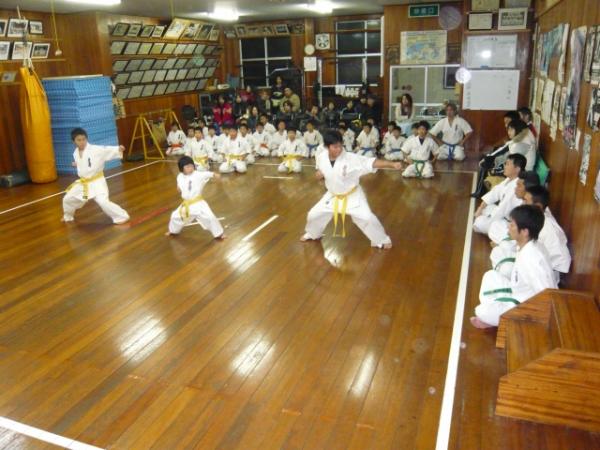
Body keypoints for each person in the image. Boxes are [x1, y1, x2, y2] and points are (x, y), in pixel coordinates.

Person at [301, 130, 403, 249]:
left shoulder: (351, 158)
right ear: (327, 147)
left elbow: (371, 163)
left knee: (366, 218)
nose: (339, 149)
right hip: (333, 194)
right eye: (335, 147)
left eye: (340, 146)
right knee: (313, 215)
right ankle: (313, 234)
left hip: (351, 194)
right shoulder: (321, 157)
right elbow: (320, 170)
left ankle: (381, 240)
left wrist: (391, 164)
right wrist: (319, 174)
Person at [471, 205, 557, 329]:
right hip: (517, 291)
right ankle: (495, 311)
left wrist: (530, 316)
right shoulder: (529, 244)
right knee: (490, 276)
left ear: (524, 231)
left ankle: (497, 315)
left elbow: (546, 294)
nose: (508, 227)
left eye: (512, 225)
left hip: (524, 305)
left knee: (482, 311)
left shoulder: (533, 258)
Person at [491, 185, 571, 283]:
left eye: (525, 201)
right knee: (499, 245)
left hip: (544, 272)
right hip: (531, 258)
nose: (522, 203)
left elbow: (550, 263)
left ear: (538, 206)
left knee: (502, 264)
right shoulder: (537, 215)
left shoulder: (547, 228)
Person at [62, 128, 129, 224]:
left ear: (87, 139)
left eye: (84, 139)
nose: (82, 142)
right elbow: (85, 163)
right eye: (79, 140)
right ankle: (68, 216)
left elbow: (105, 150)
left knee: (103, 202)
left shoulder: (95, 149)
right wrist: (77, 164)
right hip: (84, 183)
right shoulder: (75, 153)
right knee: (68, 199)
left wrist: (118, 149)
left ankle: (122, 217)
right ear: (74, 141)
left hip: (97, 182)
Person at [471, 118, 535, 198]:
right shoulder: (522, 135)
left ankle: (481, 192)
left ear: (518, 129)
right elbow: (505, 148)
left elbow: (512, 164)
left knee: (486, 166)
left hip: (522, 173)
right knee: (486, 162)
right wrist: (489, 158)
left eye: (511, 130)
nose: (508, 132)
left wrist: (496, 170)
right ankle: (480, 191)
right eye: (508, 130)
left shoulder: (521, 144)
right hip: (516, 167)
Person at [166, 156, 225, 240]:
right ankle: (172, 231)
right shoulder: (180, 176)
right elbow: (179, 185)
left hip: (199, 203)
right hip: (187, 204)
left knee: (210, 217)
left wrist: (215, 175)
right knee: (175, 216)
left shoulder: (198, 174)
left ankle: (219, 234)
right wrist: (178, 188)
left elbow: (208, 173)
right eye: (187, 167)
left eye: (191, 166)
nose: (190, 168)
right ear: (182, 169)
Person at [473, 154, 527, 235]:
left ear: (517, 169)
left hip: (511, 223)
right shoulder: (509, 179)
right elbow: (494, 192)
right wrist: (480, 208)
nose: (504, 166)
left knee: (478, 224)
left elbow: (501, 211)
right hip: (503, 215)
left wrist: (483, 220)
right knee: (486, 208)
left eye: (507, 164)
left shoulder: (516, 187)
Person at [487, 170, 539, 246]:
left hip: (525, 241)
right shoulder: (524, 200)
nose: (515, 188)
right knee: (495, 225)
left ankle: (503, 244)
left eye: (519, 186)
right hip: (516, 233)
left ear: (528, 189)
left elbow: (527, 236)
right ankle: (503, 243)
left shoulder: (534, 206)